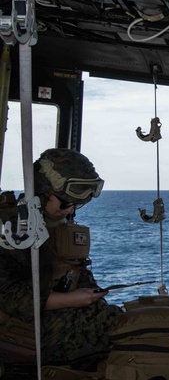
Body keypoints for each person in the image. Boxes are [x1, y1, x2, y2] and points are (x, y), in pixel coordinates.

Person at [0, 148, 119, 365]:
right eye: (65, 202)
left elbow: (73, 271)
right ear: (43, 192)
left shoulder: (53, 226)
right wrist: (70, 300)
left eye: (76, 204)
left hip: (44, 317)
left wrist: (88, 293)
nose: (69, 209)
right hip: (16, 327)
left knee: (124, 321)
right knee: (115, 328)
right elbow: (10, 296)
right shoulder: (11, 229)